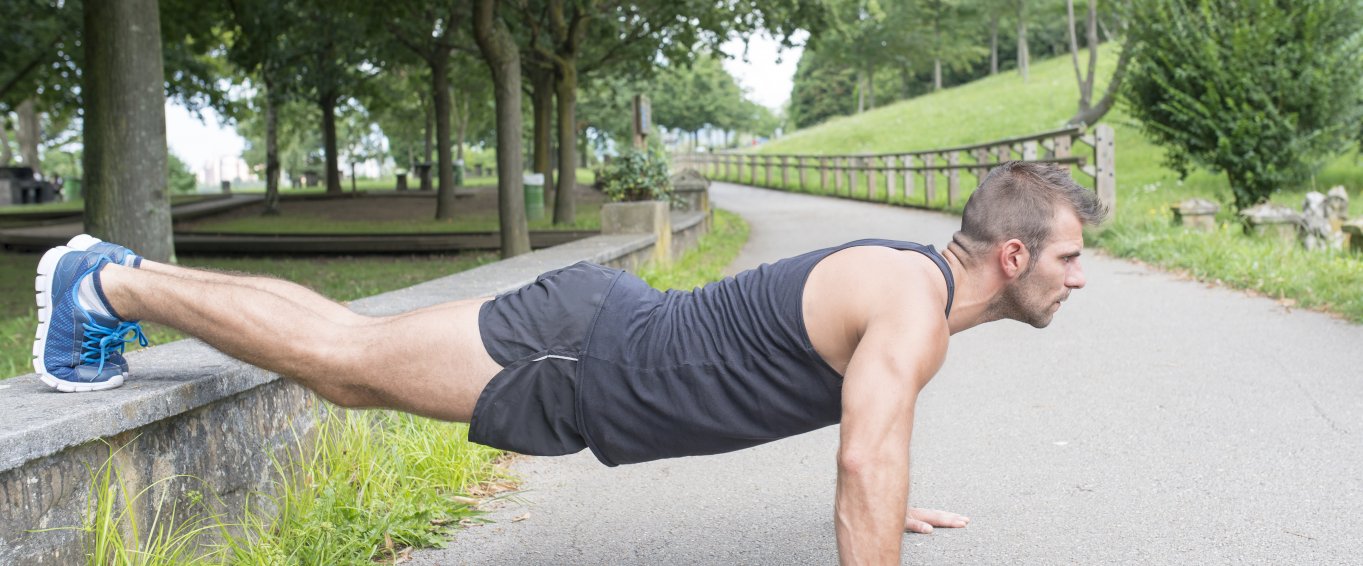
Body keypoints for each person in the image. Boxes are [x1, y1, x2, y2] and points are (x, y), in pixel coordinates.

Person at [31, 161, 1105, 563]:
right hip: (580, 351)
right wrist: (878, 490)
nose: (1078, 276)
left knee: (346, 355)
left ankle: (117, 277)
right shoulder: (914, 309)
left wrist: (889, 490)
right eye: (1068, 256)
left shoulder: (908, 291)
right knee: (343, 361)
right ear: (1012, 255)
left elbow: (869, 438)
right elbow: (864, 459)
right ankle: (108, 285)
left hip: (594, 339)